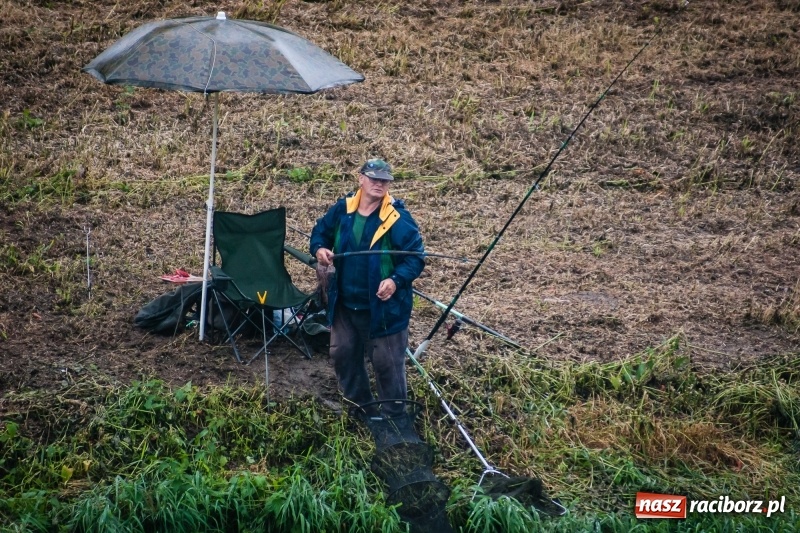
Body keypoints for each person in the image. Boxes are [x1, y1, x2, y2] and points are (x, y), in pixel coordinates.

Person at [310, 159, 425, 419]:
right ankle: (361, 408)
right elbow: (320, 232)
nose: (379, 183)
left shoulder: (397, 217)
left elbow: (415, 258)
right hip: (345, 304)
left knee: (387, 363)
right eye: (374, 178)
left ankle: (394, 417)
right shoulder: (343, 208)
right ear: (360, 178)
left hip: (383, 308)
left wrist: (395, 280)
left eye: (384, 180)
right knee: (343, 355)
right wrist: (319, 248)